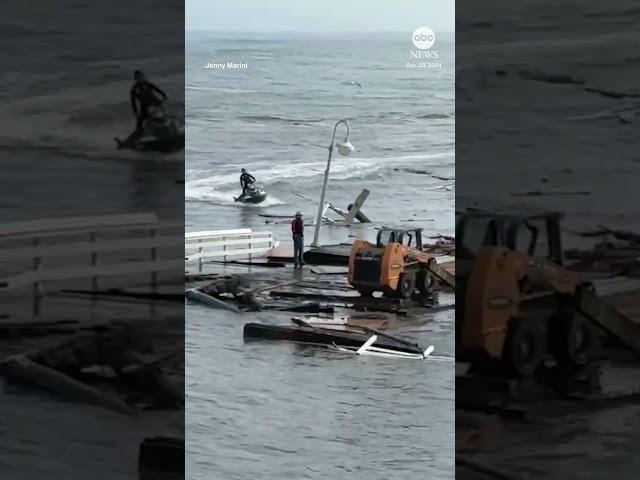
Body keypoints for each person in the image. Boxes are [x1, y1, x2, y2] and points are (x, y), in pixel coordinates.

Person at [130, 70, 168, 137]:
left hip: (156, 103)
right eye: (138, 78)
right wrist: (135, 111)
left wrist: (164, 96)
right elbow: (133, 101)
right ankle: (137, 137)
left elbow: (158, 90)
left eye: (141, 77)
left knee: (163, 117)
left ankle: (169, 130)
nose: (140, 79)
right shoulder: (134, 89)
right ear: (135, 79)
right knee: (140, 122)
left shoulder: (148, 84)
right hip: (145, 107)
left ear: (143, 76)